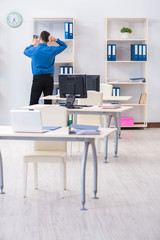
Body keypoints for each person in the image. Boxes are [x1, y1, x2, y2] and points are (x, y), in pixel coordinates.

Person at [24, 31, 67, 105]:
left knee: (33, 102)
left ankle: (33, 116)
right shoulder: (52, 50)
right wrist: (55, 39)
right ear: (48, 40)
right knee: (48, 103)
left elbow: (25, 51)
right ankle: (47, 116)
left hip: (37, 79)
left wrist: (32, 44)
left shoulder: (34, 50)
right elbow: (64, 46)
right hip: (49, 79)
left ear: (40, 38)